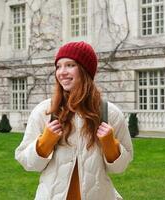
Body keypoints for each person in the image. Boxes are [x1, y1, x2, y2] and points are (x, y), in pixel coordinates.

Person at [15, 41, 133, 200]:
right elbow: (27, 163)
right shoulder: (45, 111)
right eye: (58, 66)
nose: (61, 72)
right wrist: (44, 143)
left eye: (70, 65)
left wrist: (111, 144)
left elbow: (120, 167)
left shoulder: (109, 113)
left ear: (85, 71)